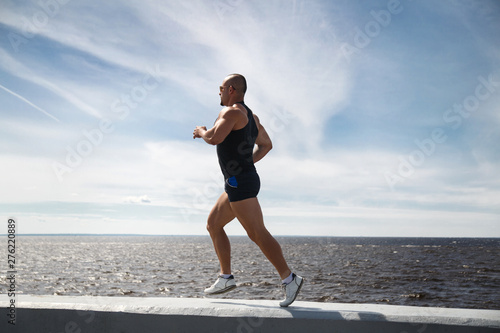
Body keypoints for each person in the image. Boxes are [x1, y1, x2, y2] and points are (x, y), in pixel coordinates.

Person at [193, 74, 303, 307]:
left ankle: (289, 279)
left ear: (231, 89)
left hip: (239, 182)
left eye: (221, 88)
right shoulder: (251, 117)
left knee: (257, 233)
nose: (219, 92)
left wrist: (201, 130)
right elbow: (266, 145)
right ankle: (226, 277)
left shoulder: (231, 113)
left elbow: (214, 137)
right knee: (213, 224)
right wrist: (247, 165)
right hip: (238, 180)